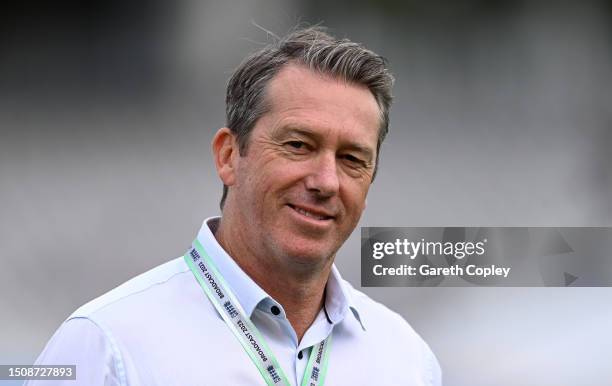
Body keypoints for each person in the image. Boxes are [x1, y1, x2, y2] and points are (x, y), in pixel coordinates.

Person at [27, 26, 442, 386]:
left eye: (352, 159)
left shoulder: (406, 358)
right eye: (298, 145)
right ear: (228, 156)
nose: (325, 182)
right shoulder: (104, 343)